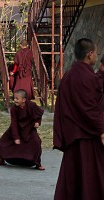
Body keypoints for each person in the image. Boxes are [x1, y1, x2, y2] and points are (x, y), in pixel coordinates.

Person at [53, 38, 104, 200]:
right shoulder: (86, 77)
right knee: (92, 180)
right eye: (96, 53)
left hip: (72, 137)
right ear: (89, 54)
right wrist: (101, 129)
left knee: (75, 181)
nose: (97, 56)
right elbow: (90, 110)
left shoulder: (68, 75)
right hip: (88, 138)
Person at [0, 89, 45, 170]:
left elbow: (38, 115)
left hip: (29, 128)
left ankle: (37, 163)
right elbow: (13, 123)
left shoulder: (32, 105)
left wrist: (38, 122)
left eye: (17, 99)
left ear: (24, 100)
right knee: (3, 141)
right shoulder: (14, 109)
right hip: (17, 128)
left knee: (36, 142)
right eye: (14, 98)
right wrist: (16, 137)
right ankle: (2, 159)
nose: (15, 100)